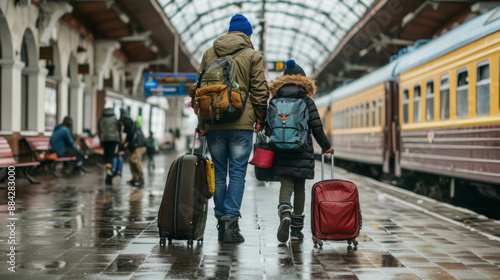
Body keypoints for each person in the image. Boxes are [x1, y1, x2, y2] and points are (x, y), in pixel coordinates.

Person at [195, 14, 269, 243]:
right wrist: (260, 118)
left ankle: (220, 221)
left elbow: (200, 90)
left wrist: (202, 124)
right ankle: (230, 222)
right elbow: (260, 90)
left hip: (214, 122)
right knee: (237, 172)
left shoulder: (209, 53)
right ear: (247, 35)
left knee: (218, 171)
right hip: (241, 123)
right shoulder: (253, 55)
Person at [266, 60, 334, 243]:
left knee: (286, 184)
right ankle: (296, 229)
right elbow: (317, 128)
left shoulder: (275, 100)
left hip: (280, 150)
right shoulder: (307, 100)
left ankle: (284, 212)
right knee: (300, 187)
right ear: (303, 80)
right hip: (302, 149)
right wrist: (326, 146)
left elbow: (268, 128)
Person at [120, 116, 147, 187]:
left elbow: (134, 138)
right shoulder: (130, 128)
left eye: (122, 124)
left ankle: (141, 178)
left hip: (139, 146)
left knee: (134, 160)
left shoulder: (133, 127)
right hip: (135, 146)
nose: (122, 126)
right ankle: (135, 178)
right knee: (131, 160)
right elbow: (129, 137)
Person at [98, 108, 121, 185]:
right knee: (111, 157)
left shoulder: (102, 118)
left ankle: (108, 174)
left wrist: (100, 139)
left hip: (104, 139)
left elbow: (99, 129)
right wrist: (119, 140)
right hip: (114, 139)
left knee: (107, 158)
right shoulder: (114, 118)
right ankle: (109, 176)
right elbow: (119, 129)